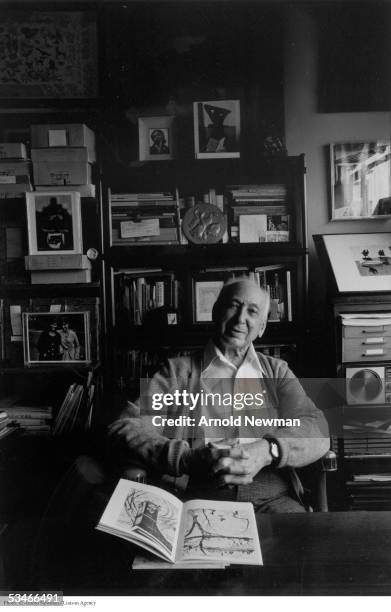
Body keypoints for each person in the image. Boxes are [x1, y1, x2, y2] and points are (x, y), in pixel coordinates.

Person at [109, 279, 329, 513]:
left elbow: (318, 429)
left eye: (252, 311)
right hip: (195, 496)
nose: (240, 318)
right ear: (216, 312)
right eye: (234, 305)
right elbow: (126, 427)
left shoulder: (277, 371)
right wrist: (186, 458)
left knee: (302, 544)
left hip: (271, 497)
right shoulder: (176, 371)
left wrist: (268, 450)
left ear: (262, 327)